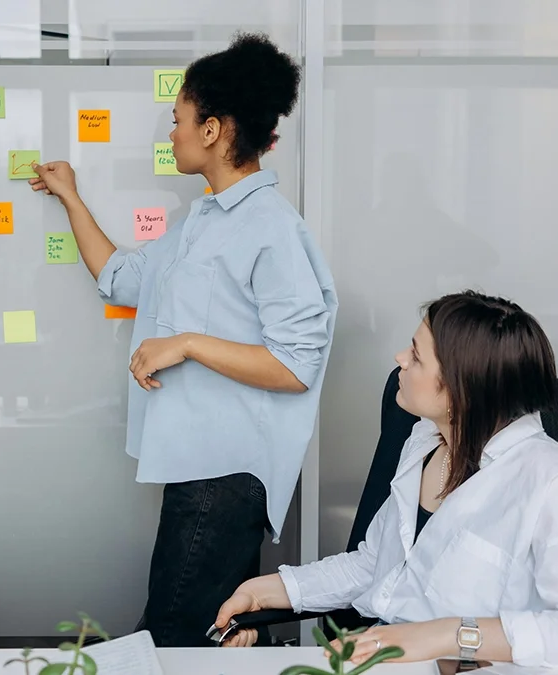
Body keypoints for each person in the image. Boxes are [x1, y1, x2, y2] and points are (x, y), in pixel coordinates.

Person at [29, 32, 337, 647]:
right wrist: (70, 196)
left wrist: (189, 343)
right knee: (212, 638)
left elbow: (297, 364)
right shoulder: (198, 221)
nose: (171, 134)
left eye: (179, 120)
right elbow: (120, 276)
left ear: (214, 130)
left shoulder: (271, 229)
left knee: (172, 639)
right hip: (195, 468)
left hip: (228, 474)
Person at [214, 291, 558, 667]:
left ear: (462, 388)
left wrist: (444, 635)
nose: (400, 359)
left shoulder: (552, 481)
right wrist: (267, 590)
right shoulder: (423, 441)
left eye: (416, 355)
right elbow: (375, 565)